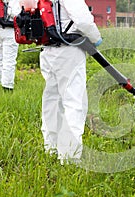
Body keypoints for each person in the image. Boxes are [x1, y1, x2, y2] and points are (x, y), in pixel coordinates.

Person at [39, 0, 102, 164]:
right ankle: (69, 157)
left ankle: (51, 148)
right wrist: (96, 38)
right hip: (69, 51)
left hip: (47, 52)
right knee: (74, 103)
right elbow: (83, 20)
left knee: (52, 102)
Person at [0, 0, 21, 90]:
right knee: (9, 60)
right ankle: (7, 86)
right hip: (10, 29)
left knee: (0, 58)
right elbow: (14, 13)